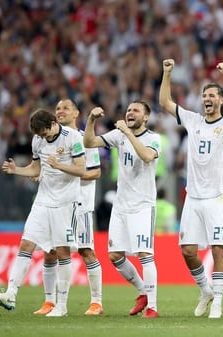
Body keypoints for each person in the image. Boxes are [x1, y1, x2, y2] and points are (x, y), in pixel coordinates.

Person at [159, 59, 223, 319]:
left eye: (211, 96)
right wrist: (167, 73)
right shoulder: (193, 120)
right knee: (188, 251)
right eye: (204, 95)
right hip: (193, 197)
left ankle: (217, 301)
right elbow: (164, 102)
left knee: (218, 249)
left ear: (220, 100)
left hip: (217, 197)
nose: (206, 99)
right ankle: (205, 290)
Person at [0, 108, 86, 317]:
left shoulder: (73, 137)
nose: (42, 137)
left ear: (52, 123)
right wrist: (17, 170)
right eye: (39, 135)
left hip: (65, 202)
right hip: (42, 200)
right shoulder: (37, 140)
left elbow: (81, 169)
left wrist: (59, 165)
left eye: (44, 133)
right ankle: (10, 293)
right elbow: (36, 168)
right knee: (26, 243)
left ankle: (62, 306)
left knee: (61, 252)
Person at [83, 101, 161, 319]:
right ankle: (143, 292)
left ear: (145, 117)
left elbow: (146, 156)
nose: (130, 113)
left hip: (143, 205)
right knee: (115, 255)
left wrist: (127, 132)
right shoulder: (119, 136)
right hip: (121, 205)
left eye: (135, 110)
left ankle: (153, 307)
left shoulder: (154, 138)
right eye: (128, 110)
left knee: (145, 254)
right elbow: (89, 142)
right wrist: (91, 120)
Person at [33, 99, 104, 316]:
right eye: (57, 109)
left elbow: (95, 172)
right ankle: (49, 302)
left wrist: (66, 172)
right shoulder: (48, 140)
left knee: (85, 250)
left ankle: (96, 302)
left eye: (65, 108)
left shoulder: (84, 139)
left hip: (79, 204)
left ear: (76, 113)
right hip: (54, 204)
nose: (60, 111)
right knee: (50, 251)